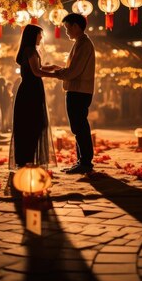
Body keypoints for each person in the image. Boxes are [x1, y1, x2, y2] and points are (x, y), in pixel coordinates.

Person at [9, 24, 60, 172]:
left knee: (30, 124)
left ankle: (26, 158)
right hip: (31, 91)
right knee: (34, 124)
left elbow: (36, 68)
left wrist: (50, 68)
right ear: (33, 35)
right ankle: (27, 158)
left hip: (30, 89)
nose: (41, 37)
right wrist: (56, 75)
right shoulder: (30, 50)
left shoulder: (29, 50)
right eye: (39, 34)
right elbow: (36, 72)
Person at [54, 13, 96, 174]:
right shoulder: (80, 43)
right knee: (78, 127)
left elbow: (73, 72)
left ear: (76, 26)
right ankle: (82, 161)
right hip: (77, 90)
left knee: (79, 127)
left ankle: (85, 162)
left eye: (67, 28)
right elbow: (72, 70)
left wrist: (54, 73)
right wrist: (57, 70)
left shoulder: (84, 44)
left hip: (79, 91)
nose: (66, 32)